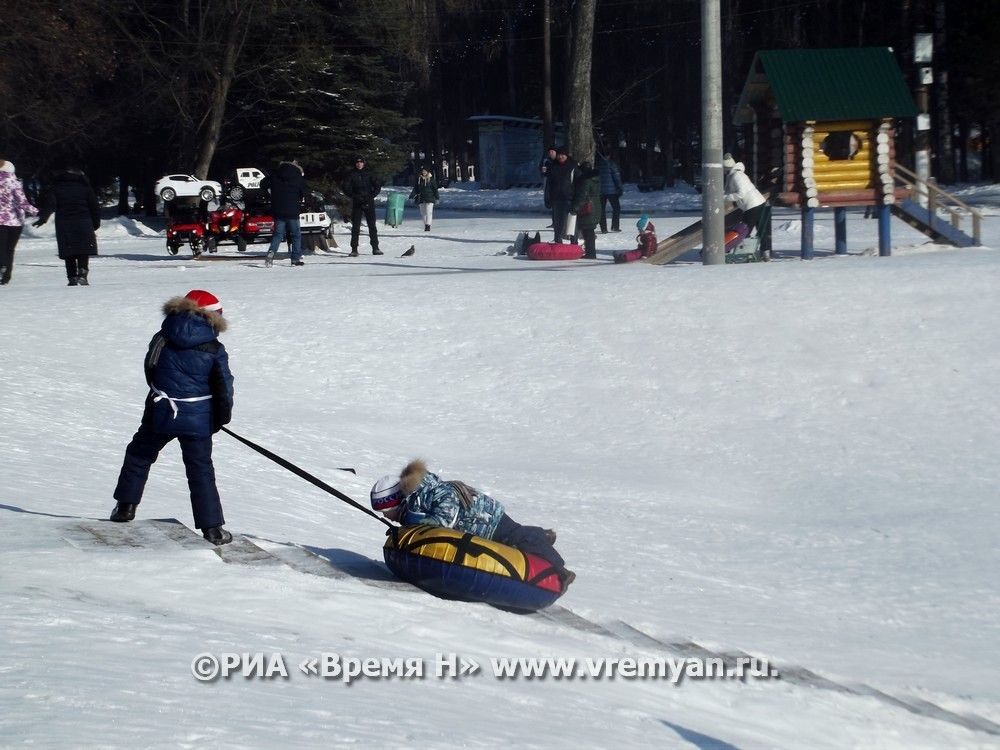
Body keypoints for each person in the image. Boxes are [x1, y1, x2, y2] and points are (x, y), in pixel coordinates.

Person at [110, 290, 236, 545]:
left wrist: (162, 395)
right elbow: (223, 386)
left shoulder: (162, 336)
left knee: (139, 455)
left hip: (161, 409)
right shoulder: (214, 347)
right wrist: (220, 418)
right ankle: (212, 529)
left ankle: (125, 507)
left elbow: (151, 368)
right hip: (198, 416)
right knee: (200, 470)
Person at [371, 460, 575, 586]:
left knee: (517, 537)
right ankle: (542, 534)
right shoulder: (413, 506)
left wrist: (420, 526)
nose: (387, 516)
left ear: (396, 501)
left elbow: (444, 519)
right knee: (511, 543)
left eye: (386, 511)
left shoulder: (435, 492)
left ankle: (560, 569)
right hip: (477, 530)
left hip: (487, 520)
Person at [33, 165, 100, 286]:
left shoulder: (56, 188)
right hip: (84, 222)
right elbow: (94, 207)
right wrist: (95, 223)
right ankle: (83, 272)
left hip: (65, 223)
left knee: (68, 251)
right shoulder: (86, 188)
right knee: (83, 250)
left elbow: (50, 205)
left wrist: (43, 218)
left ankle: (72, 277)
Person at [723, 153, 771, 260]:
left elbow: (741, 193)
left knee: (744, 230)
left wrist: (725, 198)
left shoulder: (737, 176)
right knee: (760, 229)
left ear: (727, 168)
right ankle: (764, 253)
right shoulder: (734, 175)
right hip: (756, 204)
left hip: (752, 205)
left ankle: (743, 252)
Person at [0, 159, 39, 285]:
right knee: (10, 249)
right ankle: (6, 276)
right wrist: (36, 211)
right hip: (15, 221)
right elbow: (23, 202)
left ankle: (1, 264)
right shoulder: (14, 182)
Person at [262, 159, 305, 267]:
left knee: (277, 235)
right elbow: (302, 192)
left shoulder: (275, 174)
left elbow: (262, 184)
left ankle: (271, 254)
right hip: (293, 210)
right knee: (296, 235)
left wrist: (270, 193)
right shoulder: (297, 175)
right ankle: (295, 259)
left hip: (278, 210)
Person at [346, 155, 382, 256]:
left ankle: (375, 248)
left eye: (361, 162)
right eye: (357, 162)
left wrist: (371, 196)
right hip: (357, 202)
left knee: (372, 226)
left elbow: (377, 186)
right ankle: (354, 249)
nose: (359, 164)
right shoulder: (351, 174)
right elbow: (346, 187)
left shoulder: (369, 173)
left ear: (364, 163)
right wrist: (353, 196)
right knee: (356, 226)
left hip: (368, 201)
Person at [569, 161, 602, 260]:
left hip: (588, 208)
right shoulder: (596, 179)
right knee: (590, 231)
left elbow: (582, 197)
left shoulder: (585, 181)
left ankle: (591, 253)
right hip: (595, 206)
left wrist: (575, 208)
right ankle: (591, 252)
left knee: (588, 232)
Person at [547, 146, 576, 243]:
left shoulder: (573, 165)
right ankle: (557, 240)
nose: (561, 157)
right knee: (558, 221)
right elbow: (549, 184)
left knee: (572, 221)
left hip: (570, 198)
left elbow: (578, 182)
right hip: (556, 198)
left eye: (563, 155)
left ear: (566, 155)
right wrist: (548, 198)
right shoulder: (553, 166)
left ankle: (574, 241)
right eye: (559, 155)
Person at [596, 151, 623, 233]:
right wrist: (620, 188)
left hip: (600, 191)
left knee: (602, 210)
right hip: (612, 191)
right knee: (616, 208)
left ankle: (603, 228)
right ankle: (615, 226)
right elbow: (616, 177)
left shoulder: (597, 165)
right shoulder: (611, 164)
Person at [409, 165, 439, 232]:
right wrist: (411, 196)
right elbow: (415, 189)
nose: (424, 172)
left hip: (430, 198)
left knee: (429, 212)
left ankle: (428, 225)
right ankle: (425, 224)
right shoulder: (419, 179)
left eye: (425, 171)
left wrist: (437, 198)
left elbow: (435, 189)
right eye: (423, 171)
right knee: (423, 213)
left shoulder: (431, 179)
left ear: (428, 172)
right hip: (421, 198)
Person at [539, 145, 556, 211]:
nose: (551, 153)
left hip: (557, 181)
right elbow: (542, 170)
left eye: (552, 151)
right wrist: (543, 171)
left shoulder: (558, 161)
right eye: (549, 152)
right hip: (549, 180)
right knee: (548, 194)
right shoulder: (546, 161)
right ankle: (550, 205)